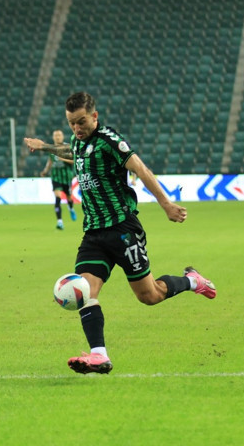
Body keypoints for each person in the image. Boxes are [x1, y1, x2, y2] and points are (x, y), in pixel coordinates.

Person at [25, 92, 216, 375]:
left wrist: (166, 205)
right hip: (93, 234)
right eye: (71, 123)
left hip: (123, 229)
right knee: (85, 291)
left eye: (81, 122)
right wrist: (44, 148)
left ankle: (191, 281)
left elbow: (140, 168)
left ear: (95, 116)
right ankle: (99, 355)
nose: (76, 128)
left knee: (149, 296)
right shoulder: (79, 141)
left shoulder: (110, 141)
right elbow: (70, 151)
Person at [40, 129, 77, 230]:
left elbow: (74, 160)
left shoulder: (67, 147)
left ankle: (71, 208)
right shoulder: (52, 149)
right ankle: (59, 221)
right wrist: (45, 170)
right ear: (53, 137)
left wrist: (63, 159)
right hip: (55, 177)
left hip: (66, 177)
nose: (57, 137)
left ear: (62, 136)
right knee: (57, 198)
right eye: (55, 135)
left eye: (59, 135)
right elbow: (50, 161)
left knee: (69, 197)